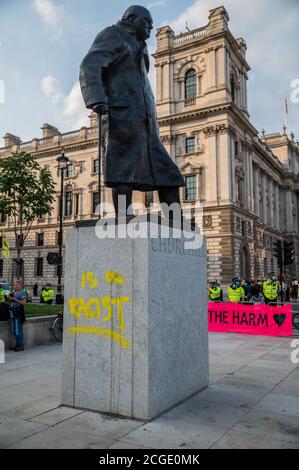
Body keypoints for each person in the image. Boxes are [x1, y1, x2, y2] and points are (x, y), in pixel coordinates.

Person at [79, 5, 185, 219]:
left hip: (145, 120)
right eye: (147, 22)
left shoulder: (141, 45)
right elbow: (89, 65)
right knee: (123, 168)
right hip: (121, 115)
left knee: (168, 171)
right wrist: (97, 99)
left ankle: (175, 218)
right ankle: (122, 215)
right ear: (132, 19)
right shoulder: (112, 35)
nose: (151, 27)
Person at [8, 280, 27, 352]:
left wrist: (14, 299)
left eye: (17, 285)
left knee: (18, 330)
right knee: (14, 330)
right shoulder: (13, 292)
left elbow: (24, 302)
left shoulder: (22, 292)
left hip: (18, 313)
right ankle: (17, 344)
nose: (15, 286)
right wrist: (9, 298)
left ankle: (21, 346)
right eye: (14, 285)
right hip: (12, 313)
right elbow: (10, 300)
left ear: (20, 285)